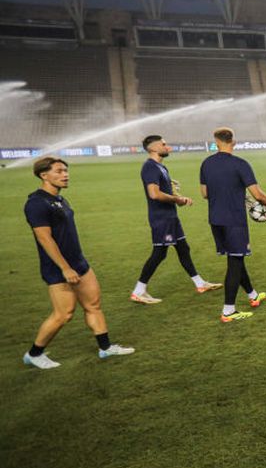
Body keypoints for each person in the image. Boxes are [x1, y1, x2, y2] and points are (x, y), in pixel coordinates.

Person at [22, 156, 135, 369]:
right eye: (58, 171)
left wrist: (76, 264)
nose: (65, 175)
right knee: (63, 314)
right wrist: (65, 268)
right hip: (58, 269)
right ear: (43, 175)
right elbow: (44, 238)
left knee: (93, 305)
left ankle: (105, 348)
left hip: (79, 263)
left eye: (65, 170)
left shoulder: (60, 200)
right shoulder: (36, 203)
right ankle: (34, 354)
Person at [130, 134, 221, 304]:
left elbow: (165, 194)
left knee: (183, 249)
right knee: (159, 253)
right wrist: (177, 199)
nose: (167, 146)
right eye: (163, 144)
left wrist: (178, 198)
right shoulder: (150, 167)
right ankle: (138, 291)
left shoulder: (161, 167)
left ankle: (200, 283)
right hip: (161, 219)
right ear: (153, 148)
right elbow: (154, 194)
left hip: (170, 217)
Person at [199, 127, 266, 322]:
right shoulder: (240, 164)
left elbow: (205, 193)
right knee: (235, 262)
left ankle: (252, 295)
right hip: (234, 220)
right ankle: (228, 311)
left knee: (237, 257)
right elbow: (257, 194)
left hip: (215, 220)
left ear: (216, 142)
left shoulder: (206, 163)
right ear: (233, 141)